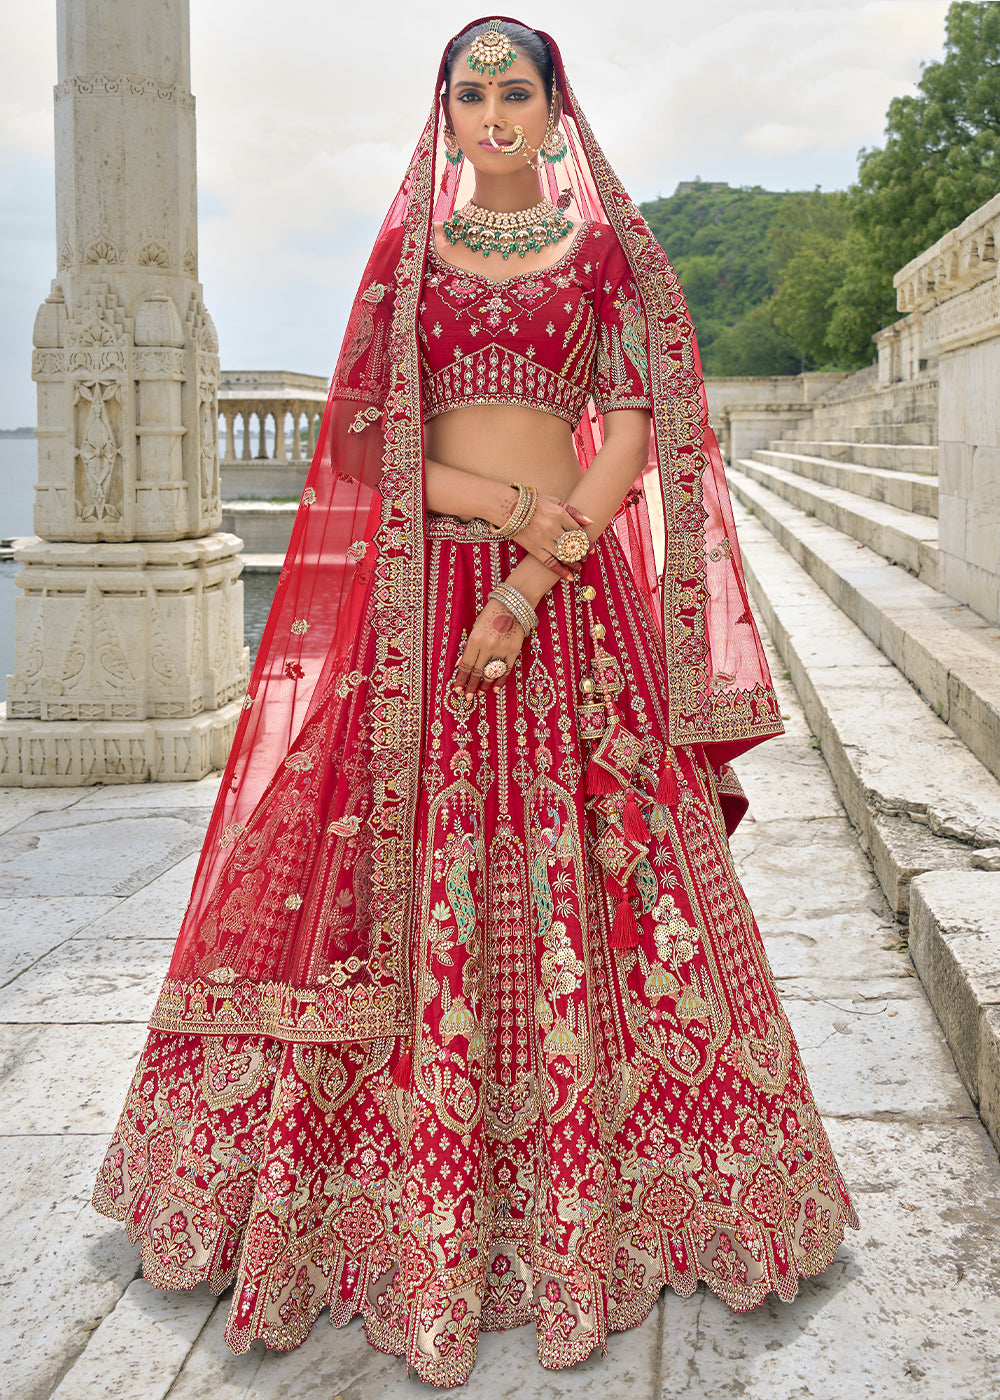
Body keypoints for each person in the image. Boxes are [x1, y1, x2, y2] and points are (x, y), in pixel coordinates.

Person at [93, 17, 858, 1387]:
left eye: (517, 91)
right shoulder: (410, 262)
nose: (493, 112)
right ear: (442, 116)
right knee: (378, 879)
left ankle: (642, 1196)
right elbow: (367, 439)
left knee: (615, 880)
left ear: (556, 113)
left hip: (564, 611)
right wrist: (514, 514)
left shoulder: (606, 254)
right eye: (471, 93)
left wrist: (536, 573)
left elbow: (630, 428)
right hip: (427, 601)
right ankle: (376, 1205)